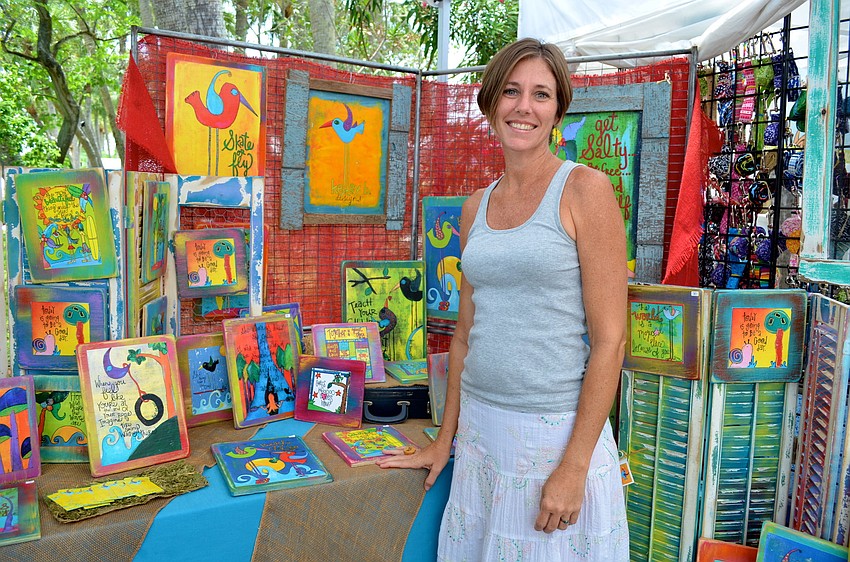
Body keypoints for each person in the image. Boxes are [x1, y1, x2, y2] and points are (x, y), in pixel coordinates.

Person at [377, 37, 629, 561]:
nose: (524, 107)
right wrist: (445, 439)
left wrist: (575, 465)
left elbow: (610, 341)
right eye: (512, 91)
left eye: (541, 94)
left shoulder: (586, 190)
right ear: (491, 103)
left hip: (554, 442)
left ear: (559, 109)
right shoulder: (475, 208)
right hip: (480, 443)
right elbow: (466, 334)